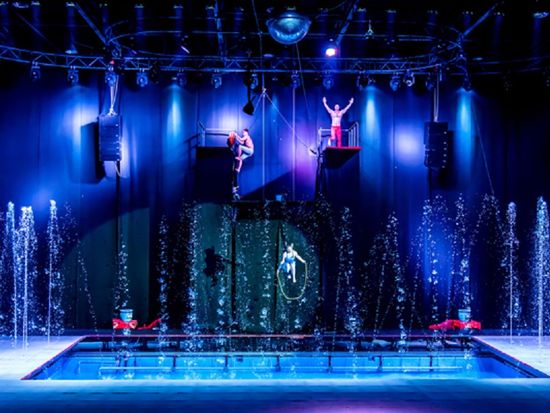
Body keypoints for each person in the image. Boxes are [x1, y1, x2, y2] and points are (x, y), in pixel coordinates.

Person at [227, 128, 254, 198]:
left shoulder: (247, 136)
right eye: (242, 132)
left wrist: (236, 135)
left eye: (243, 132)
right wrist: (236, 137)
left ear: (246, 132)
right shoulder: (245, 137)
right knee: (240, 159)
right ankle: (238, 168)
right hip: (250, 153)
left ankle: (238, 157)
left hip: (250, 150)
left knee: (239, 147)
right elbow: (241, 142)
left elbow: (241, 141)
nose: (243, 133)